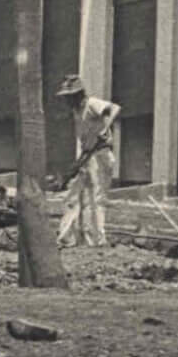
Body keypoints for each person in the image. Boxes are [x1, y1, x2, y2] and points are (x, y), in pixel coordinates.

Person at [53, 74, 120, 248]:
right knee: (72, 196)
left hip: (101, 154)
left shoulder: (91, 104)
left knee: (96, 199)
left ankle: (97, 240)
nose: (66, 101)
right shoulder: (76, 111)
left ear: (78, 94)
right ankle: (66, 238)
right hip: (88, 155)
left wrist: (105, 127)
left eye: (69, 97)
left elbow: (114, 109)